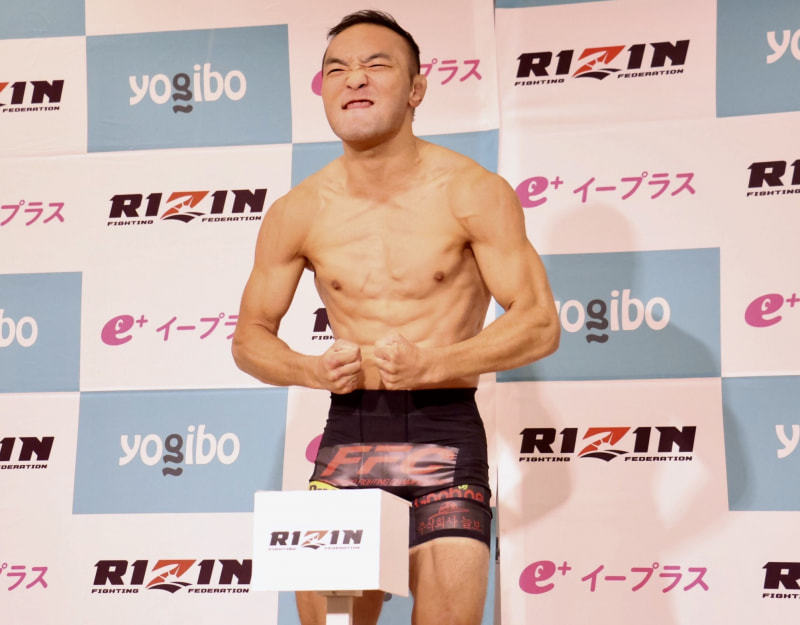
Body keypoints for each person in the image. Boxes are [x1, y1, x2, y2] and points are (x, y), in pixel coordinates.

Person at [232, 9, 560, 625]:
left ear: (416, 89)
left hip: (446, 436)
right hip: (351, 439)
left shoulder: (471, 191)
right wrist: (309, 369)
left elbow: (540, 321)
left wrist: (437, 362)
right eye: (337, 68)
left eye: (375, 64)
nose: (354, 78)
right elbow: (249, 339)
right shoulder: (298, 211)